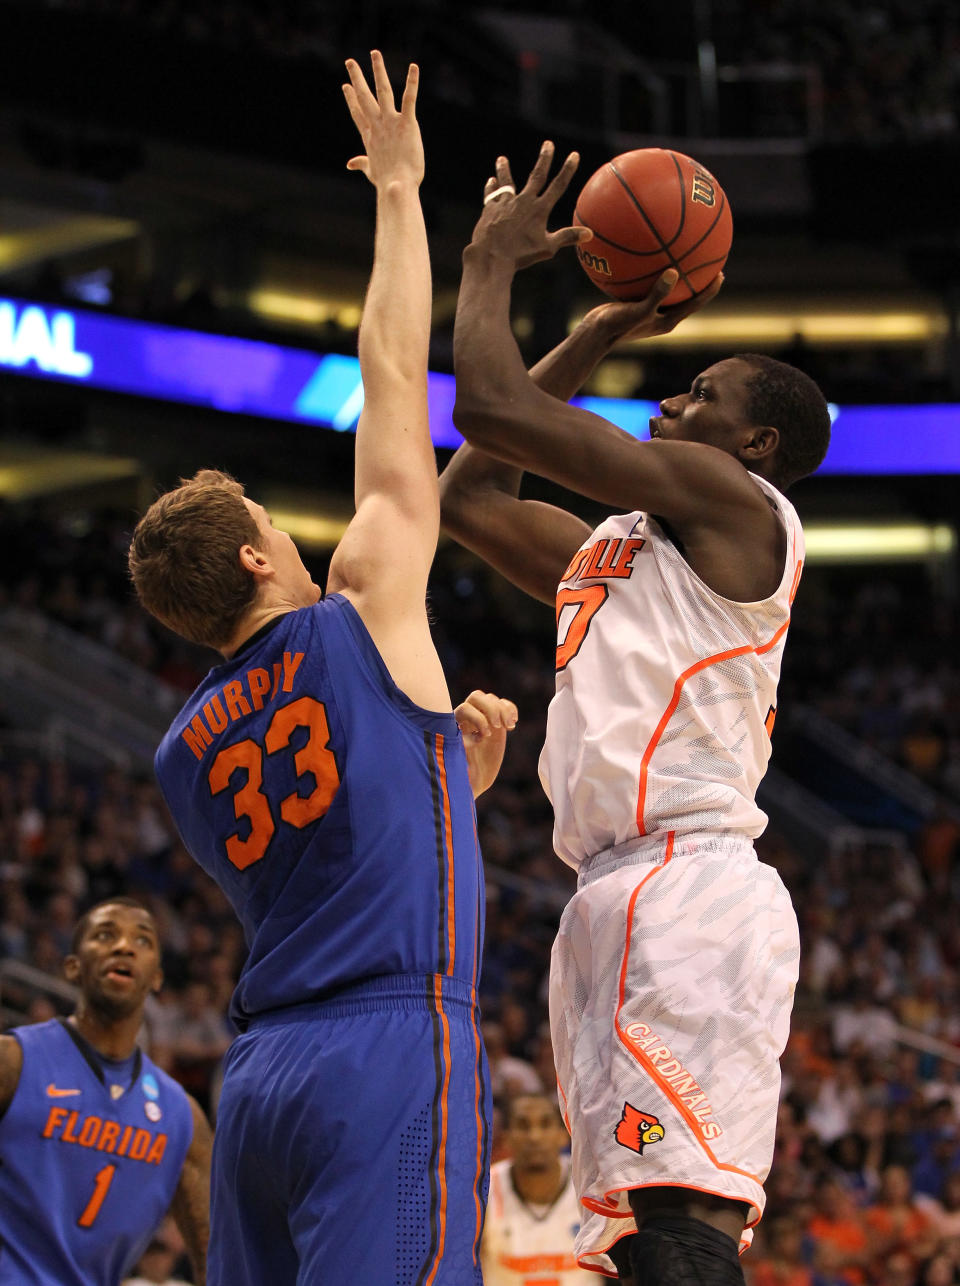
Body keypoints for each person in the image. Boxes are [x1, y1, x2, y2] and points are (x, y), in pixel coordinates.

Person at [128, 53, 516, 1285]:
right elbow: (394, 376)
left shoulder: (182, 755)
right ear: (254, 553)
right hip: (386, 1051)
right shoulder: (358, 608)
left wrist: (448, 782)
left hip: (262, 1083)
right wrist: (402, 190)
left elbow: (325, 863)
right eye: (274, 524)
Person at [439, 141, 832, 1283]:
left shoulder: (740, 504)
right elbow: (473, 496)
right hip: (607, 895)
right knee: (620, 1242)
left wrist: (486, 265)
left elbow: (489, 404)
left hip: (696, 890)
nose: (673, 396)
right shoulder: (618, 550)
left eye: (700, 394)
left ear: (754, 445)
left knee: (682, 1229)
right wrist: (604, 325)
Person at [0, 897, 212, 1285]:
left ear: (157, 978)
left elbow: (216, 1265)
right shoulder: (13, 1061)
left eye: (143, 940)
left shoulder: (183, 1119)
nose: (124, 946)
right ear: (73, 967)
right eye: (104, 935)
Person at [482, 1091, 606, 1284]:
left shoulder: (592, 1184)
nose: (534, 1137)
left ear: (563, 1135)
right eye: (523, 1126)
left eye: (545, 1124)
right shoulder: (484, 1189)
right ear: (506, 1139)